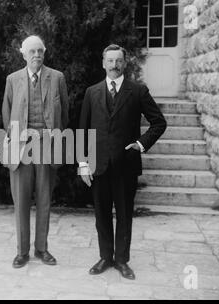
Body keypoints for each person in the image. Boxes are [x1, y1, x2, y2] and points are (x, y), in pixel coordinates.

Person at [79, 44, 166, 278]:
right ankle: (105, 257)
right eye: (110, 61)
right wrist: (83, 164)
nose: (114, 65)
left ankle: (121, 260)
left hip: (126, 165)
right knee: (102, 215)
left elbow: (159, 123)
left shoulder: (137, 91)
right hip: (98, 166)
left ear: (124, 63)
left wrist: (140, 144)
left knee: (125, 215)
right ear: (103, 63)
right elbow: (83, 131)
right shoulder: (92, 92)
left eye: (118, 61)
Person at [2, 35, 69, 268]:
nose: (37, 55)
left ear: (45, 52)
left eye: (40, 51)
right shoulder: (13, 80)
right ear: (23, 54)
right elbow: (7, 113)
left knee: (44, 200)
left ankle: (42, 249)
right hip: (21, 148)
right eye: (32, 51)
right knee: (20, 201)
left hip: (47, 147)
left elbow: (65, 115)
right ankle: (22, 252)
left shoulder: (57, 78)